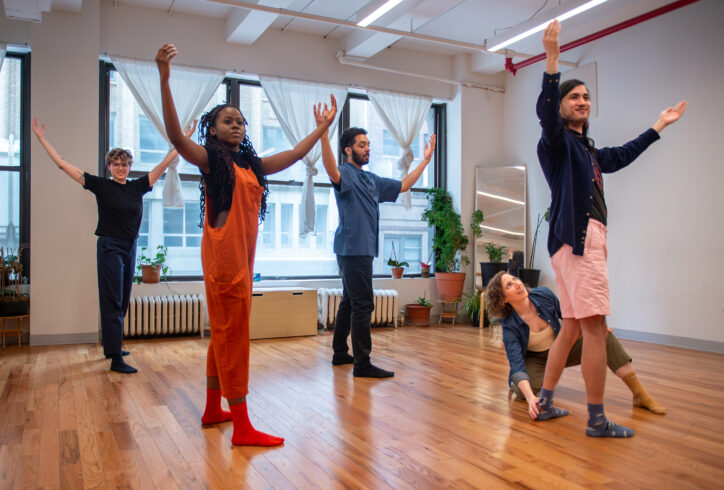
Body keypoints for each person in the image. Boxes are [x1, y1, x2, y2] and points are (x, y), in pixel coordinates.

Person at [155, 43, 337, 446]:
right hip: (224, 261)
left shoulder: (249, 164)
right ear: (213, 128)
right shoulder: (210, 159)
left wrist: (323, 128)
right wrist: (165, 79)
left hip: (241, 258)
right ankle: (242, 427)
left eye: (240, 121)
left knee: (224, 333)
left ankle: (211, 408)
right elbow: (173, 136)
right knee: (234, 337)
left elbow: (292, 154)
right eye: (227, 121)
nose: (236, 125)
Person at [535, 21, 685, 437]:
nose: (582, 101)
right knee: (596, 328)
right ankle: (597, 420)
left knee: (570, 328)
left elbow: (620, 155)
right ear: (562, 106)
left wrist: (658, 127)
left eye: (586, 97)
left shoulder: (588, 149)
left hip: (570, 244)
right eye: (574, 97)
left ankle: (545, 403)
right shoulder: (558, 144)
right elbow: (545, 115)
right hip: (579, 242)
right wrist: (552, 62)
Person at [32, 117, 196, 373]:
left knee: (122, 302)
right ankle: (116, 359)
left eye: (125, 164)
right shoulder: (101, 186)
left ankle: (112, 347)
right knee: (112, 301)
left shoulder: (137, 187)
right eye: (116, 164)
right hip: (110, 247)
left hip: (130, 247)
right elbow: (64, 166)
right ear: (109, 166)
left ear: (130, 167)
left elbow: (164, 163)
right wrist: (42, 139)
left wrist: (182, 139)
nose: (121, 168)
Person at [315, 107, 436, 378]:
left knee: (350, 300)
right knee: (363, 303)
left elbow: (404, 185)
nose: (367, 148)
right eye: (362, 145)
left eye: (368, 144)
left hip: (361, 249)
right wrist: (324, 134)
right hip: (352, 248)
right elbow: (330, 169)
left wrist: (426, 161)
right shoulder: (345, 172)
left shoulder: (371, 179)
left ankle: (339, 354)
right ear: (348, 149)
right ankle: (362, 363)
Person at [486, 271, 666, 420]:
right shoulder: (509, 325)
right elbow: (516, 362)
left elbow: (570, 316)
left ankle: (639, 394)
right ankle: (523, 386)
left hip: (561, 349)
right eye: (509, 285)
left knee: (604, 337)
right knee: (521, 390)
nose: (517, 283)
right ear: (503, 300)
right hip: (537, 360)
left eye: (514, 279)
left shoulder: (544, 295)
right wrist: (532, 398)